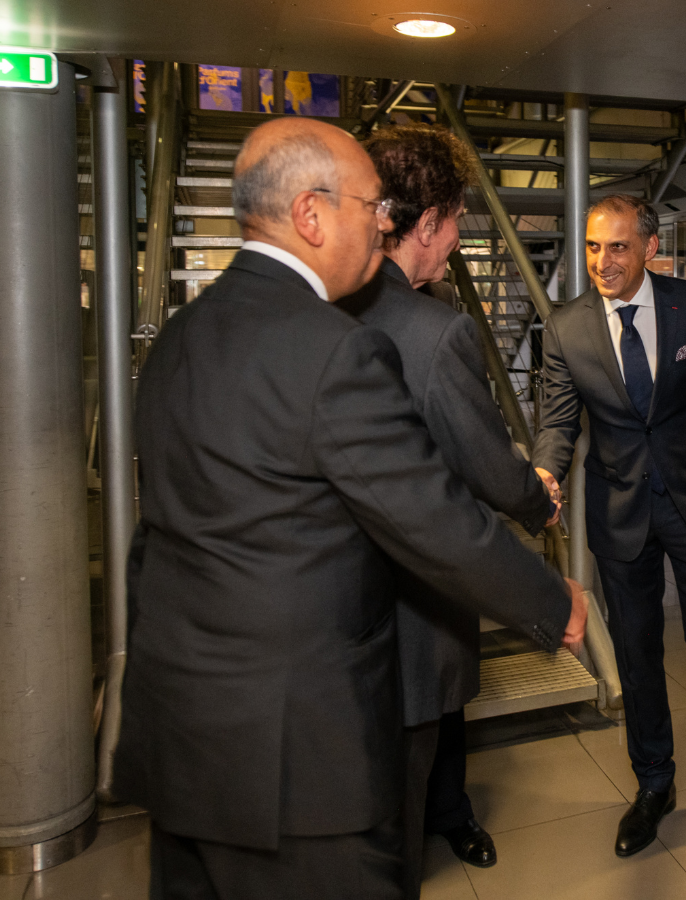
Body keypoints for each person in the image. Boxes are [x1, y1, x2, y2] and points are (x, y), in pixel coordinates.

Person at [115, 117, 587, 900]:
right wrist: (551, 600)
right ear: (310, 214)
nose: (381, 221)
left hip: (182, 735)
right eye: (370, 205)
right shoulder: (334, 349)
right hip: (295, 755)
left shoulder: (181, 334)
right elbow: (436, 522)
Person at [338, 124, 559, 895]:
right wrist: (538, 498)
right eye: (457, 222)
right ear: (426, 221)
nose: (459, 241)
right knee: (396, 801)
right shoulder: (436, 333)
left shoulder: (323, 306)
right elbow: (488, 468)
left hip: (328, 614)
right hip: (412, 606)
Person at [531, 194, 686, 863]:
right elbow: (558, 421)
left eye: (619, 247)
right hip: (620, 510)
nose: (603, 262)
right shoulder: (565, 326)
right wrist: (545, 472)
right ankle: (653, 783)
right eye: (594, 247)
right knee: (637, 651)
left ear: (650, 247)